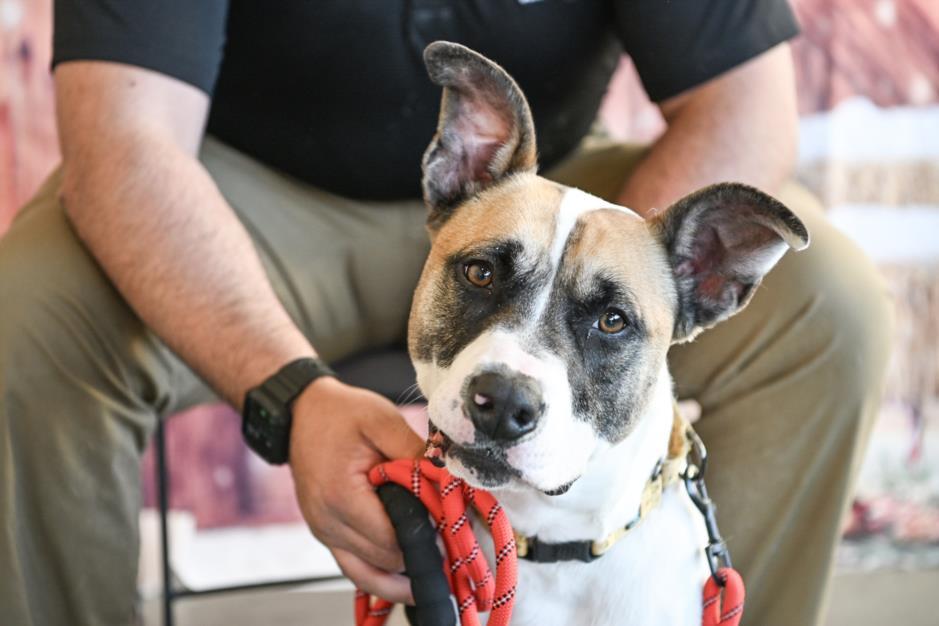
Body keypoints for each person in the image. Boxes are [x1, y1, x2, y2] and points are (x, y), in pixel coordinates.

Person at [0, 1, 891, 625]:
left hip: (540, 193)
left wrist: (619, 282)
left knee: (833, 309)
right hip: (240, 194)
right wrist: (292, 394)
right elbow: (125, 141)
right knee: (29, 312)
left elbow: (743, 101)